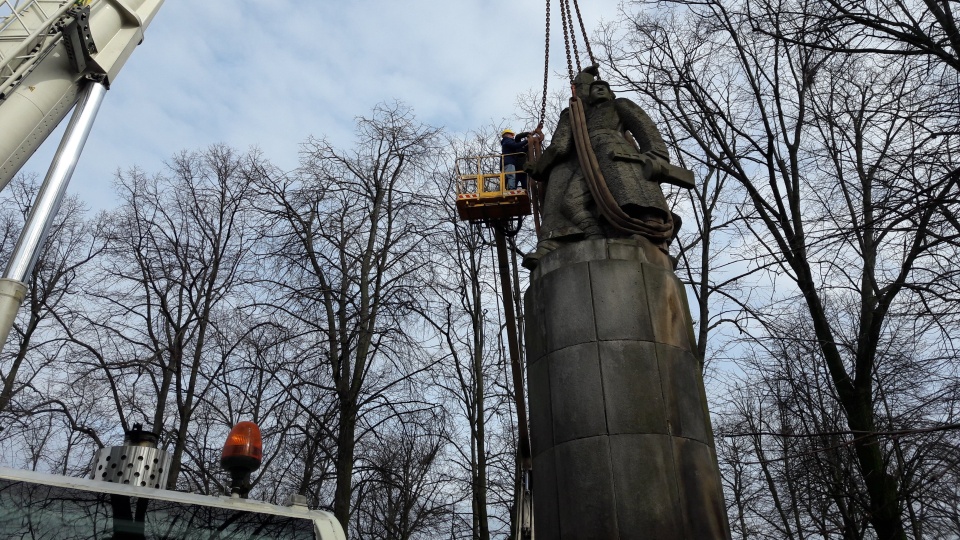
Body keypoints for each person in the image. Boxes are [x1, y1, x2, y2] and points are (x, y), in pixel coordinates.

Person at [523, 65, 693, 269]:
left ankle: (650, 241)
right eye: (594, 88)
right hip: (591, 162)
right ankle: (595, 236)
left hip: (619, 158)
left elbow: (647, 131)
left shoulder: (619, 105)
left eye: (604, 87)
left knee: (634, 201)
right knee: (571, 202)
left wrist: (657, 158)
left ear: (612, 93)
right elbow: (561, 146)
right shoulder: (579, 114)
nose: (599, 89)